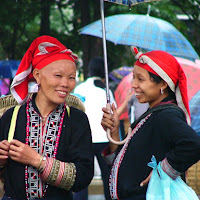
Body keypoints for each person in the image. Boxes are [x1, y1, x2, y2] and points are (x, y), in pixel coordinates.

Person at [0, 35, 94, 200]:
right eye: (58, 75)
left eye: (71, 77)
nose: (65, 83)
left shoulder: (77, 119)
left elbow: (83, 176)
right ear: (37, 75)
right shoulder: (11, 116)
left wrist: (37, 160)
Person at [101, 47, 200, 200]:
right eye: (134, 78)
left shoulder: (166, 115)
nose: (133, 85)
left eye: (140, 79)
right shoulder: (153, 115)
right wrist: (114, 132)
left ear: (163, 84)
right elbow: (128, 162)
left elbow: (193, 144)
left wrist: (162, 171)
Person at [73, 57, 131, 200]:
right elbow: (114, 114)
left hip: (84, 140)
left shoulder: (79, 88)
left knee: (81, 178)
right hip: (103, 139)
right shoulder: (105, 92)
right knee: (108, 178)